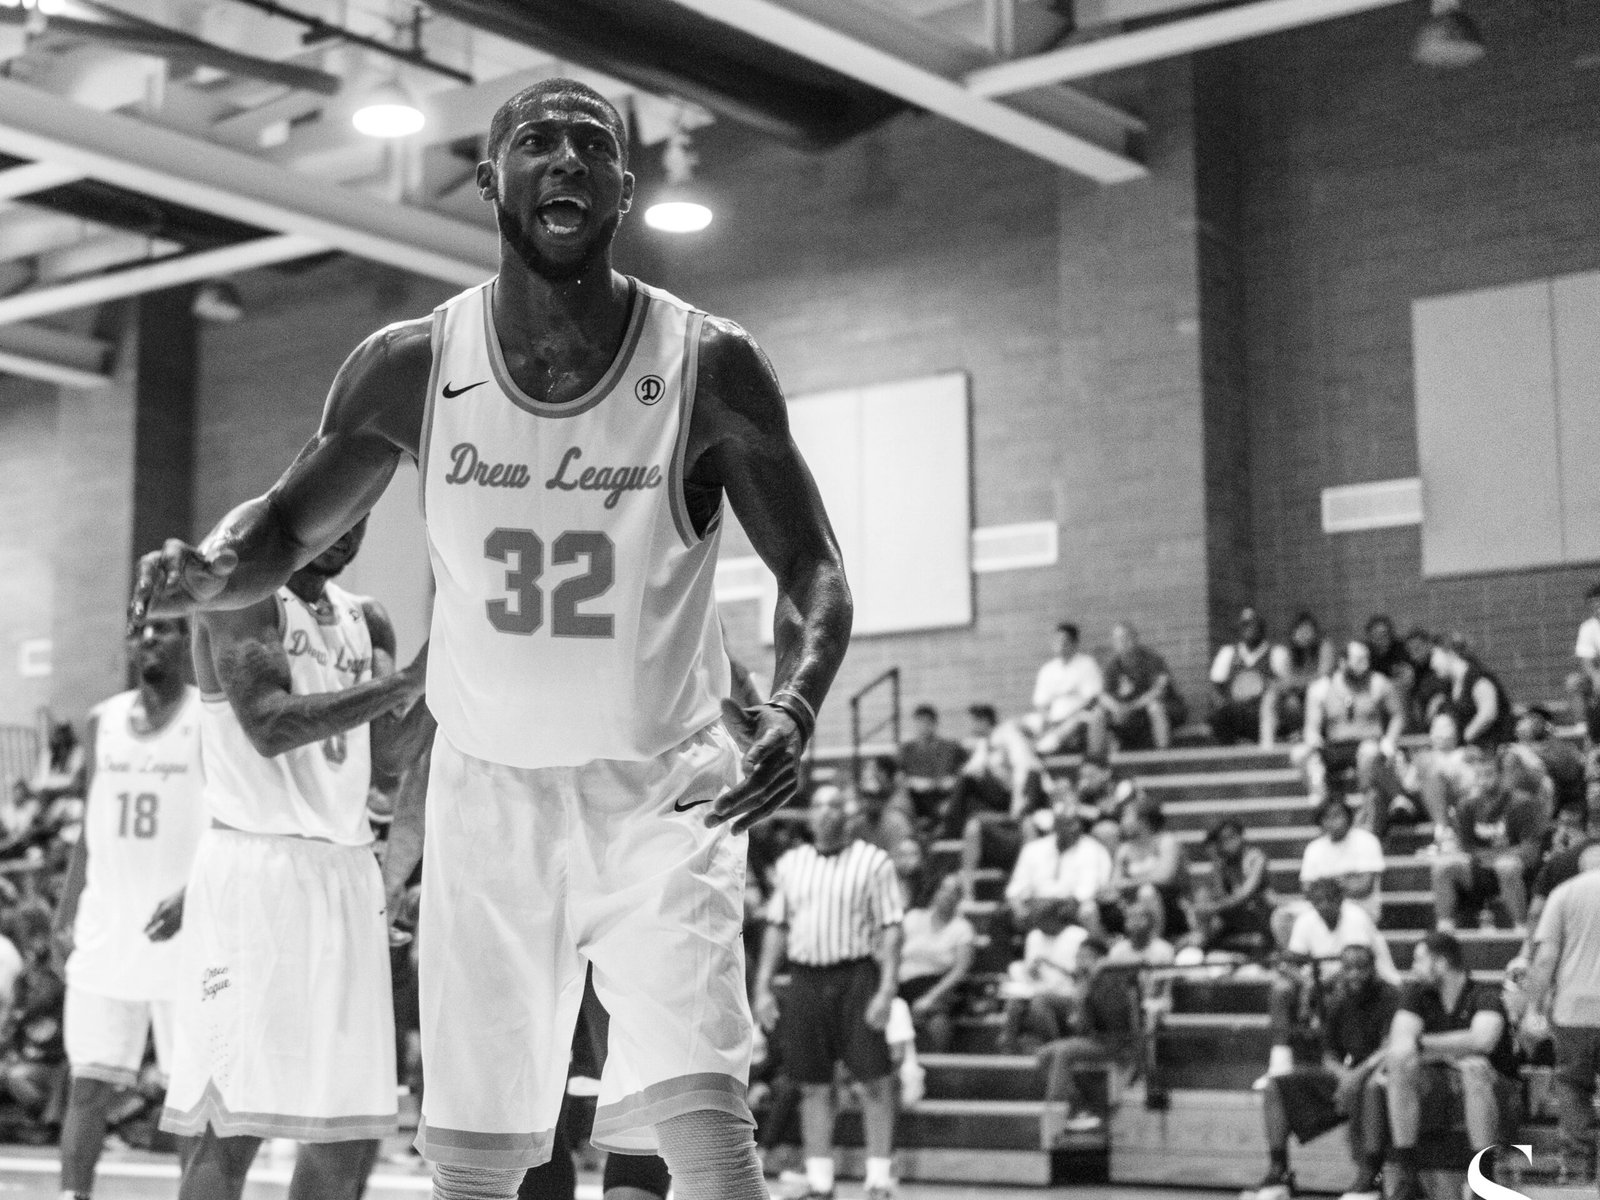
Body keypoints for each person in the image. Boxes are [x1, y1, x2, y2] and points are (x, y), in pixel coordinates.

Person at [131, 78, 853, 1200]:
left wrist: (797, 705)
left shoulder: (709, 363)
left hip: (661, 795)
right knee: (472, 1161)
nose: (565, 160)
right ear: (489, 177)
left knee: (708, 1134)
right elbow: (283, 526)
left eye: (591, 145)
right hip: (487, 798)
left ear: (623, 186)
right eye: (537, 141)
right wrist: (215, 574)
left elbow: (814, 569)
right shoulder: (410, 363)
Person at [156, 521, 429, 1200]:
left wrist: (447, 677)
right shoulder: (243, 597)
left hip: (347, 870)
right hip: (257, 868)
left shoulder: (369, 618)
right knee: (233, 1123)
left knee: (348, 1130)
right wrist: (406, 684)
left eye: (360, 514)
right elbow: (270, 725)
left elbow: (389, 756)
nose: (346, 528)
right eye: (335, 508)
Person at [50, 617, 208, 1200]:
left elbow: (229, 820)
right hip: (107, 926)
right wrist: (65, 913)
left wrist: (196, 894)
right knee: (88, 1084)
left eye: (165, 630)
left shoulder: (210, 718)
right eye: (141, 630)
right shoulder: (103, 720)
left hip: (184, 929)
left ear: (188, 641)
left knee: (190, 1096)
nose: (149, 640)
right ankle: (73, 1195)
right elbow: (89, 831)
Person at [754, 786, 902, 1200]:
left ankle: (879, 1178)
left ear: (847, 814)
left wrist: (887, 988)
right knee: (811, 1083)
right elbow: (777, 926)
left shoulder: (873, 861)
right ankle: (820, 1180)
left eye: (834, 805)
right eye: (818, 805)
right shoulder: (792, 863)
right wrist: (762, 986)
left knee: (874, 1079)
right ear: (809, 816)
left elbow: (892, 927)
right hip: (805, 978)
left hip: (857, 975)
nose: (825, 812)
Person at [1239, 944, 1399, 1200]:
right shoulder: (1339, 999)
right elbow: (1328, 1054)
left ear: (1373, 968)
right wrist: (1344, 1076)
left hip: (1380, 1073)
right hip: (1347, 1074)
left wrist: (1355, 1077)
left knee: (1370, 1087)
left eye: (1361, 967)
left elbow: (1389, 1047)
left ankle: (1371, 1176)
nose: (1354, 974)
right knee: (1274, 1087)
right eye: (1348, 968)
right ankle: (1279, 1172)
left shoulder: (1390, 996)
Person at [1384, 931, 1518, 1200]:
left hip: (1495, 1083)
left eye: (1419, 960)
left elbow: (1483, 1040)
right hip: (1439, 1080)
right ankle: (1408, 1175)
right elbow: (1401, 1044)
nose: (1413, 968)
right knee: (1399, 1064)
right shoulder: (1417, 994)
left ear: (1442, 963)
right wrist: (1453, 1052)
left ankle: (1483, 1178)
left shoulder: (1484, 994)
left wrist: (1422, 1043)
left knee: (1475, 1069)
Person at [1262, 879, 1399, 1082]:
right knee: (1281, 989)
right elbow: (1291, 961)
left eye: (1330, 900)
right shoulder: (1306, 921)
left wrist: (1316, 985)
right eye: (1318, 901)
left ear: (1341, 899)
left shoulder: (1356, 917)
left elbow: (1357, 966)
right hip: (1322, 983)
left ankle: (1343, 1062)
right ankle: (1279, 1065)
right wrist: (1307, 983)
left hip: (1370, 984)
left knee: (1339, 993)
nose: (1324, 905)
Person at [1524, 842, 1600, 1185]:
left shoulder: (1563, 894)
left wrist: (1533, 1008)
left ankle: (1579, 1169)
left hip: (1574, 1012)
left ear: (1582, 866)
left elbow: (1544, 960)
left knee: (1572, 1086)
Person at [1431, 748, 1548, 932]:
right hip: (1482, 870)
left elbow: (1529, 853)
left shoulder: (1523, 803)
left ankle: (1521, 927)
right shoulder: (1466, 806)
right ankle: (1444, 929)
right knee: (1442, 866)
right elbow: (1466, 849)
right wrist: (1489, 857)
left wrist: (1489, 857)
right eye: (1478, 775)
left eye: (1489, 774)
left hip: (1519, 873)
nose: (1483, 780)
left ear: (1502, 776)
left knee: (1506, 866)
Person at [1036, 935, 1140, 1135]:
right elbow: (1081, 1025)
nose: (1079, 961)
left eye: (1085, 957)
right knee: (1043, 1054)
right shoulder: (1085, 981)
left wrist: (1084, 1002)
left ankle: (1057, 1115)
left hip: (1116, 1042)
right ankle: (1077, 1105)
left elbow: (1111, 1022)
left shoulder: (1111, 981)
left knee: (1064, 1052)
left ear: (1100, 959)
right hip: (1095, 1039)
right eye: (1078, 956)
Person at [1295, 641, 1404, 815]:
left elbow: (1398, 715)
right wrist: (1313, 739)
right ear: (1343, 662)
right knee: (1300, 753)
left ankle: (1366, 800)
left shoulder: (1379, 683)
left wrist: (1390, 740)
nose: (1365, 665)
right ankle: (1322, 799)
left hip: (1369, 743)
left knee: (1369, 752)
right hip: (1335, 746)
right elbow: (1311, 727)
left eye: (1367, 659)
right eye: (1359, 660)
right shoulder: (1321, 688)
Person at [0, 902, 67, 1136]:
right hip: (27, 1057)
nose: (32, 941)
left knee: (16, 1077)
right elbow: (13, 1022)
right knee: (11, 1074)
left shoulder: (57, 972)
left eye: (36, 932)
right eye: (26, 933)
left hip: (56, 1063)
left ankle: (49, 1122)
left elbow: (38, 1005)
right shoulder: (25, 975)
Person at [1005, 795, 1113, 932]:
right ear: (1056, 826)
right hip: (1035, 907)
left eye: (1077, 823)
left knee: (1088, 910)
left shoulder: (1092, 850)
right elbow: (1015, 889)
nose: (1075, 828)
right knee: (1002, 915)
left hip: (1069, 908)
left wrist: (1052, 907)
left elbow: (1085, 892)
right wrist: (1019, 909)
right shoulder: (1033, 849)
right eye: (1068, 824)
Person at [896, 874, 975, 1052]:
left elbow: (961, 969)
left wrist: (930, 998)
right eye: (944, 889)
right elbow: (893, 954)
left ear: (959, 898)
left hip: (939, 987)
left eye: (954, 891)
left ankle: (937, 1061)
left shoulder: (962, 928)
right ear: (935, 892)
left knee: (938, 1019)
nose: (948, 895)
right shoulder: (913, 918)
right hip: (902, 985)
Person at [998, 898, 1088, 1053]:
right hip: (1038, 989)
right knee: (1014, 1003)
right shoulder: (1034, 936)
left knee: (1040, 1003)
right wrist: (1031, 971)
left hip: (1069, 993)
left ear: (1054, 918)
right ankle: (1008, 1052)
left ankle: (1052, 1048)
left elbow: (1082, 975)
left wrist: (1052, 964)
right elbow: (1030, 973)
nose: (1038, 926)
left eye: (1041, 921)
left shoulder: (1078, 936)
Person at [1103, 795, 1187, 939]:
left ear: (1143, 820)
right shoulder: (1124, 849)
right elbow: (1115, 882)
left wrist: (1130, 884)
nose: (1122, 822)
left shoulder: (1166, 841)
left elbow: (1164, 877)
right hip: (1131, 905)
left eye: (1126, 816)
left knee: (1146, 892)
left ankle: (1153, 940)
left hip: (1168, 905)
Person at [1095, 623, 1185, 752]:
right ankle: (1094, 759)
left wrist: (1132, 707)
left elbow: (1159, 690)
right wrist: (1116, 708)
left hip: (1163, 709)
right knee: (1098, 713)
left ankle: (1163, 756)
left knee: (1155, 707)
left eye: (1126, 638)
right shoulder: (1112, 664)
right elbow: (1102, 695)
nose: (1123, 642)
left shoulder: (1153, 659)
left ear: (1135, 639)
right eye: (1118, 639)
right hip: (1128, 713)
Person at [1188, 819, 1273, 956]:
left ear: (1240, 836)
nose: (1228, 843)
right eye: (1223, 840)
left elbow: (1245, 894)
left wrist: (1213, 908)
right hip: (1233, 921)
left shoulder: (1255, 857)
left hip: (1258, 918)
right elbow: (1217, 894)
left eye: (1231, 837)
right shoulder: (1225, 864)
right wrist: (1216, 860)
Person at [1296, 798, 1385, 923]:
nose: (1332, 822)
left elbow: (1364, 887)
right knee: (1284, 917)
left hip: (1359, 908)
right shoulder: (1314, 848)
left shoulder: (1367, 841)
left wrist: (1327, 886)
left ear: (1348, 817)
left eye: (1337, 815)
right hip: (1321, 909)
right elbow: (1307, 888)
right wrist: (1345, 880)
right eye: (1327, 817)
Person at [1210, 608, 1288, 747]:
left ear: (1261, 627)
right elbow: (1215, 688)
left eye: (1253, 624)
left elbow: (1285, 686)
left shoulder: (1276, 652)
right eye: (1245, 625)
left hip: (1265, 713)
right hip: (1237, 713)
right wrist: (1222, 705)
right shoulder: (1228, 653)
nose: (1249, 629)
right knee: (1220, 716)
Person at [1024, 623, 1104, 756]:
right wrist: (1047, 720)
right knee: (1023, 723)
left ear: (1074, 643)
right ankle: (1033, 749)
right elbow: (1041, 703)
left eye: (1064, 641)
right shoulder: (1047, 670)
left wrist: (1065, 719)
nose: (1059, 645)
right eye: (1056, 641)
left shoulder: (1087, 664)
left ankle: (1044, 747)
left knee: (1084, 719)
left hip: (1078, 717)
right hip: (1051, 719)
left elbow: (1092, 700)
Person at [1430, 637, 1515, 749]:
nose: (1432, 664)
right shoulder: (1450, 685)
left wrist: (1464, 740)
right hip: (1470, 751)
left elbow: (1488, 714)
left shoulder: (1478, 679)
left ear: (1450, 653)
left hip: (1493, 748)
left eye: (1434, 655)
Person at [1269, 613, 1336, 746]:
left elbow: (1324, 674)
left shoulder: (1324, 645)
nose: (1304, 635)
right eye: (1300, 631)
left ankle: (1316, 734)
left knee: (1319, 689)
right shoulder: (1291, 652)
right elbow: (1286, 679)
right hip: (1299, 695)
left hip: (1322, 695)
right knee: (1289, 702)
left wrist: (1299, 682)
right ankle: (1290, 734)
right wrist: (1295, 684)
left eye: (1308, 630)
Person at [897, 705, 965, 833]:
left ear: (934, 724)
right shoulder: (907, 749)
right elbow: (899, 776)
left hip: (944, 794)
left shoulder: (951, 747)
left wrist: (951, 780)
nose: (923, 727)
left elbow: (963, 773)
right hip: (917, 796)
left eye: (927, 723)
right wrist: (912, 782)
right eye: (920, 723)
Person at [1517, 703, 1586, 814]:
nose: (1528, 724)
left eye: (1534, 720)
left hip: (1561, 810)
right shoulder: (1520, 750)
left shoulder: (1564, 749)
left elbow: (1569, 773)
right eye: (1526, 720)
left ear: (1546, 725)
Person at [846, 764, 917, 857]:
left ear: (883, 800)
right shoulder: (856, 825)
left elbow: (903, 855)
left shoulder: (897, 822)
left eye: (875, 797)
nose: (870, 802)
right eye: (866, 797)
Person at [1566, 581, 1600, 743]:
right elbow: (1586, 661)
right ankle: (1582, 724)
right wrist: (1596, 677)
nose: (1597, 608)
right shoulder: (1588, 628)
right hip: (1598, 676)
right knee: (1574, 682)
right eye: (1594, 605)